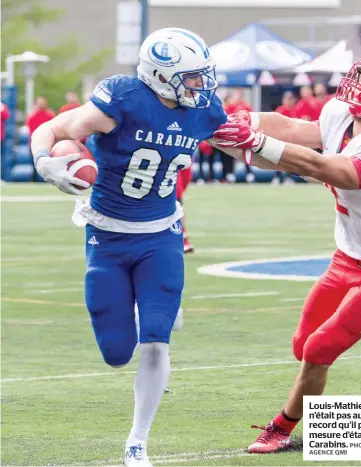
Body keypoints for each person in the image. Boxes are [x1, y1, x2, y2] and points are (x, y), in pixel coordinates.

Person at [30, 27, 226, 466]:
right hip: (108, 236)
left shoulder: (206, 110)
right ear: (160, 75)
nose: (202, 85)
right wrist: (45, 161)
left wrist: (308, 157)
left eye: (203, 75)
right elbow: (52, 128)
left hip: (162, 234)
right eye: (192, 77)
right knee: (117, 353)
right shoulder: (121, 99)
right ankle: (142, 314)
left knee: (156, 342)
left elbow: (254, 136)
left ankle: (137, 443)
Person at [213, 54, 361, 453]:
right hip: (346, 257)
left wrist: (256, 144)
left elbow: (324, 167)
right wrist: (239, 122)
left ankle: (282, 428)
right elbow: (293, 128)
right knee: (301, 344)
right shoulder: (342, 114)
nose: (357, 82)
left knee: (316, 351)